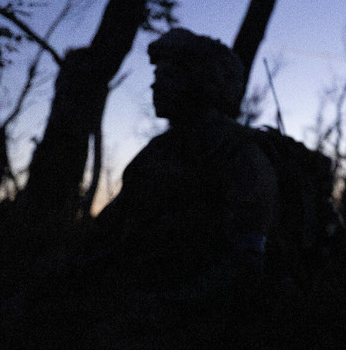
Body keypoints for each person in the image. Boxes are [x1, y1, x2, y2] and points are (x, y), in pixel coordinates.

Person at [86, 28, 279, 341]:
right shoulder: (157, 153)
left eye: (170, 73)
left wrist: (166, 308)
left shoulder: (240, 155)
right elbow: (108, 235)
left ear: (203, 82)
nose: (155, 83)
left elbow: (246, 264)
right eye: (158, 73)